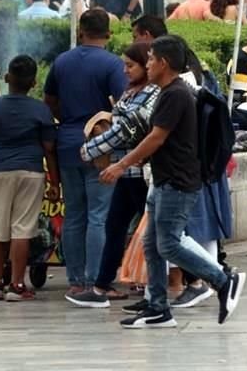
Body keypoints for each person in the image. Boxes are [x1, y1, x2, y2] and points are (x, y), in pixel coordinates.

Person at [99, 35, 246, 328]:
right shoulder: (170, 92)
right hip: (165, 178)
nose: (147, 64)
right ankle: (157, 307)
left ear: (163, 63)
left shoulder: (174, 94)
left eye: (151, 59)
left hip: (177, 182)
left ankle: (222, 279)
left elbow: (157, 136)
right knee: (153, 243)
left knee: (168, 243)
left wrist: (121, 164)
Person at [44, 9, 128, 303]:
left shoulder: (61, 61)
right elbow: (123, 104)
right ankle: (95, 280)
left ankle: (75, 280)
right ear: (108, 33)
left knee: (74, 214)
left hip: (67, 143)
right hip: (101, 148)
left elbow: (49, 101)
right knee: (98, 216)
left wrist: (68, 121)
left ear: (80, 31)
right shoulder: (113, 64)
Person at [66, 43, 158, 308]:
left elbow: (126, 129)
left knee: (158, 232)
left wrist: (89, 149)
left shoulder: (151, 95)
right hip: (126, 172)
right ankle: (101, 285)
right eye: (124, 65)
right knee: (115, 225)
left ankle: (194, 279)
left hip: (143, 173)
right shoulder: (129, 94)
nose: (125, 70)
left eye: (131, 65)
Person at [0, 56, 59, 302]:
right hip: (31, 172)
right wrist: (54, 182)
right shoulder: (41, 109)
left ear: (7, 78)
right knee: (22, 230)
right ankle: (17, 284)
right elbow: (49, 148)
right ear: (33, 83)